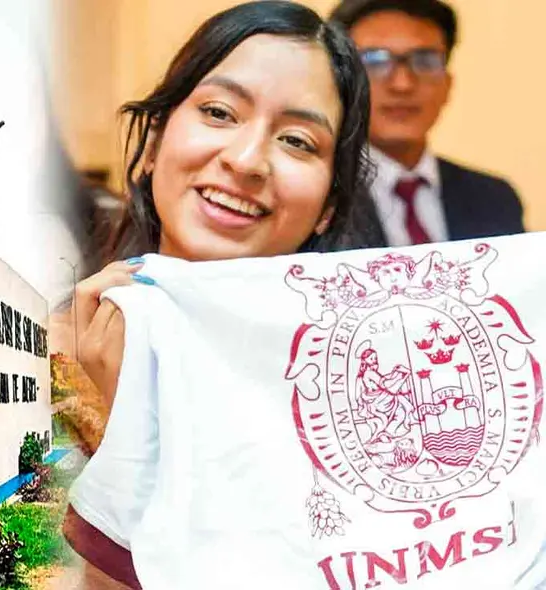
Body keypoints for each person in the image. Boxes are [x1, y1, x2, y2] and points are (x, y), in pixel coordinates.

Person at [60, 2, 377, 587]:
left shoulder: (355, 411)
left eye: (299, 141)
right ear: (154, 140)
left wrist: (129, 432)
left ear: (330, 203)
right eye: (218, 111)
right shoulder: (35, 351)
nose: (248, 159)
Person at [329, 0, 525, 247]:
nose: (403, 84)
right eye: (375, 60)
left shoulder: (495, 198)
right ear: (342, 82)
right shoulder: (320, 197)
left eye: (425, 61)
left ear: (447, 85)